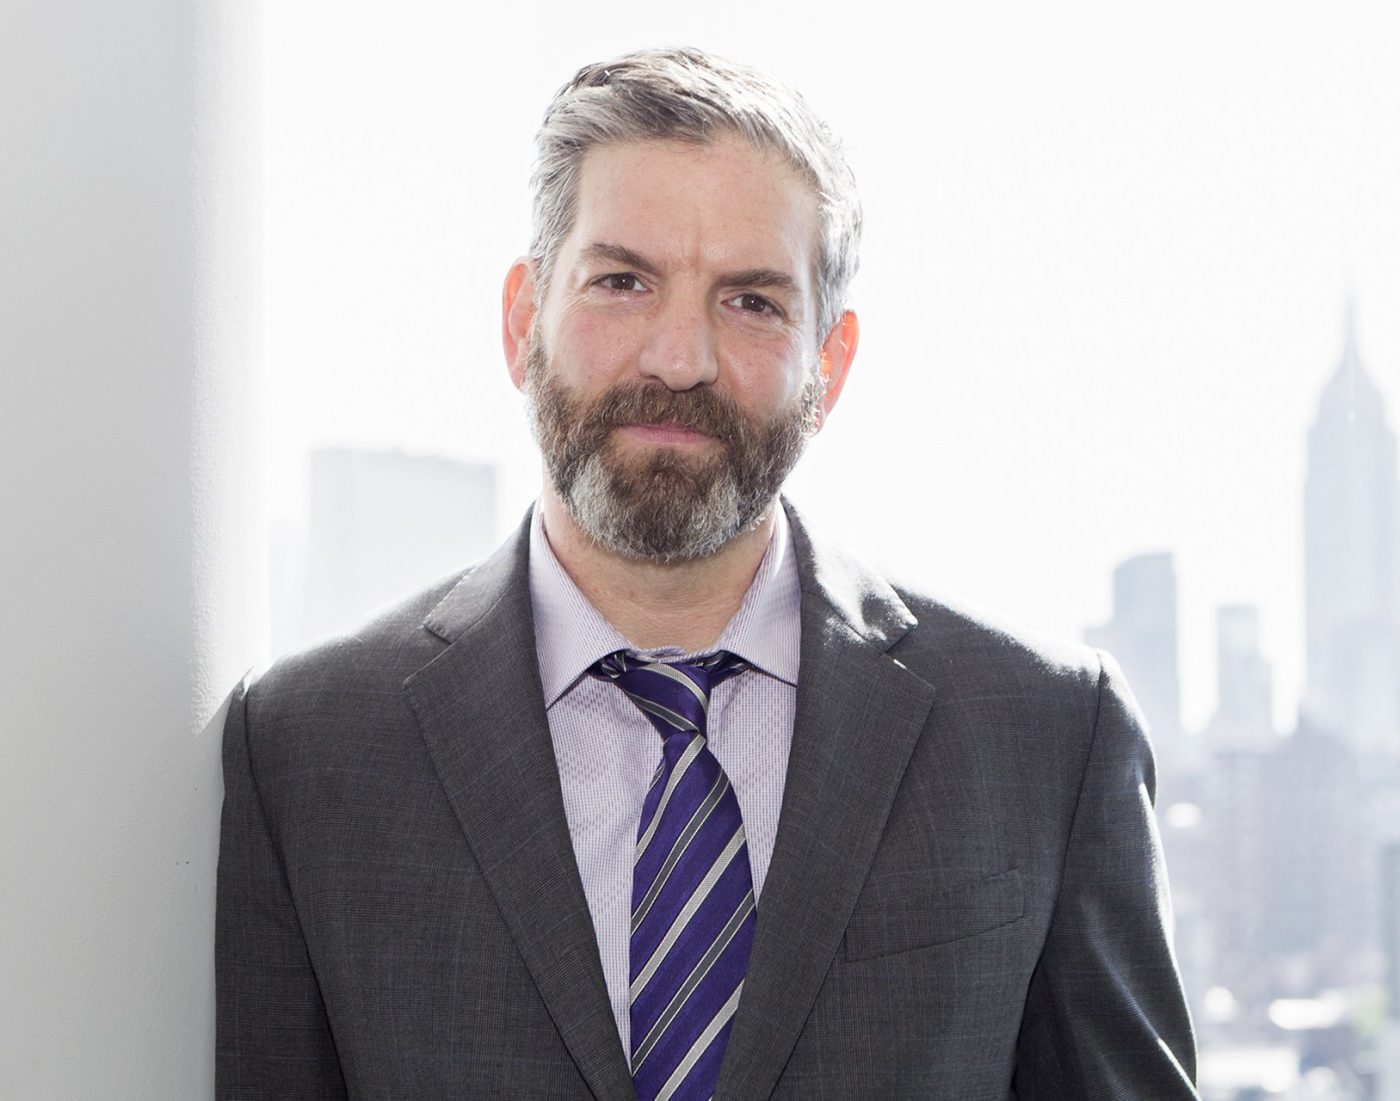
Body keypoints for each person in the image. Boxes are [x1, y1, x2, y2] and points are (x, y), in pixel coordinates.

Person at [216, 47, 1199, 1100]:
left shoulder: (1046, 736)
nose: (677, 357)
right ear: (522, 322)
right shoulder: (310, 751)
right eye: (622, 282)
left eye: (751, 301)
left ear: (829, 366)